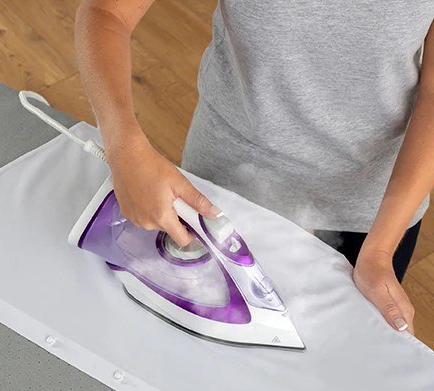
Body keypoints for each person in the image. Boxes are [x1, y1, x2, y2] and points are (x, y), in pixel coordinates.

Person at [75, 0, 434, 334]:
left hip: (377, 215)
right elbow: (106, 13)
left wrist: (380, 251)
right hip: (226, 188)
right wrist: (124, 146)